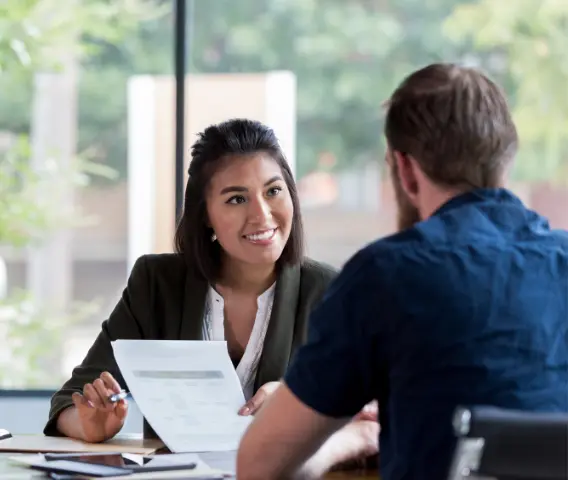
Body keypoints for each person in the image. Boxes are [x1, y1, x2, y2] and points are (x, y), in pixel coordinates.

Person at [236, 64, 568, 480]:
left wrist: (353, 438)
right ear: (506, 157)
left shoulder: (386, 275)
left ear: (405, 170)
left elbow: (258, 466)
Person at [44, 119, 355, 445]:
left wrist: (300, 402)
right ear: (205, 214)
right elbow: (70, 400)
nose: (262, 215)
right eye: (237, 198)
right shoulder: (157, 284)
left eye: (273, 191)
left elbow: (369, 411)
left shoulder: (329, 292)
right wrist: (89, 424)